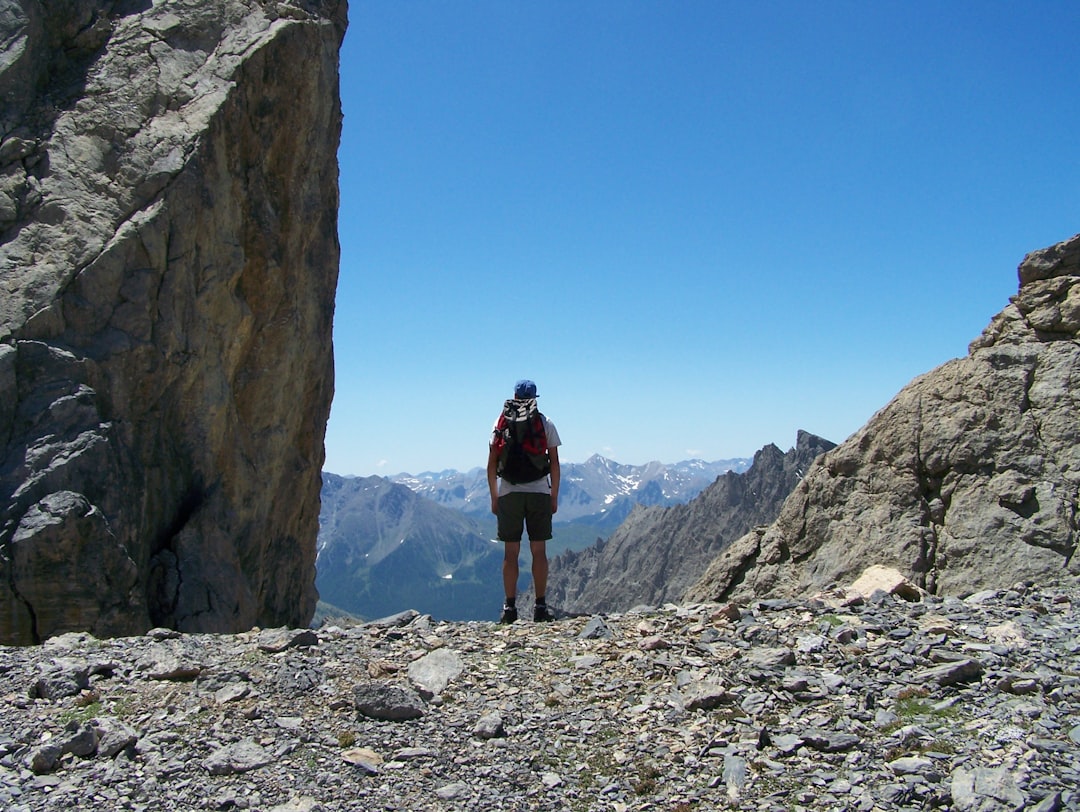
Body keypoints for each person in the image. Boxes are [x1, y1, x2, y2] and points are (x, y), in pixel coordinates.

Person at [487, 379, 561, 623]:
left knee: (511, 553)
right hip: (539, 491)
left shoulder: (501, 422)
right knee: (538, 550)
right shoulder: (544, 422)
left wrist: (494, 497)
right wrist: (553, 495)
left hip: (509, 492)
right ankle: (540, 607)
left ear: (514, 396)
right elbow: (555, 463)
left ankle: (510, 609)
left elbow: (491, 463)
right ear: (535, 398)